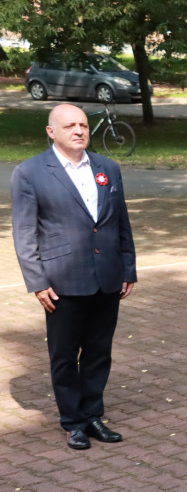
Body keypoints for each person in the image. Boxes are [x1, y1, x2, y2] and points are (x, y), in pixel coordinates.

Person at [11, 104, 137, 450]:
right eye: (69, 125)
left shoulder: (107, 168)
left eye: (83, 124)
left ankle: (93, 414)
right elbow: (24, 232)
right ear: (51, 131)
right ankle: (73, 421)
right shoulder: (30, 173)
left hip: (108, 277)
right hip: (62, 280)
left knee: (98, 351)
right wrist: (37, 281)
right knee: (64, 355)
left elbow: (120, 223)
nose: (79, 130)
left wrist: (128, 268)